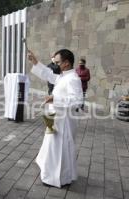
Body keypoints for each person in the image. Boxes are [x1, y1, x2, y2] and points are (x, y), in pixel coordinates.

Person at [28, 49, 83, 188]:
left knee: (59, 149)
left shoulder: (73, 79)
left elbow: (77, 101)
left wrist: (55, 98)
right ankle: (50, 173)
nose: (55, 64)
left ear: (66, 63)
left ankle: (57, 178)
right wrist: (36, 62)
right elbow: (49, 75)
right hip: (55, 118)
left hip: (63, 121)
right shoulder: (63, 76)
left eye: (57, 62)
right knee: (52, 147)